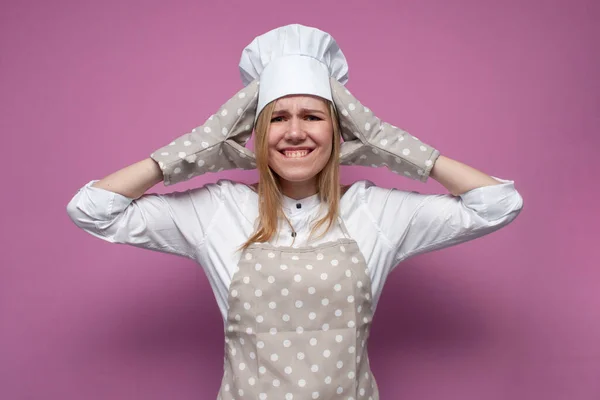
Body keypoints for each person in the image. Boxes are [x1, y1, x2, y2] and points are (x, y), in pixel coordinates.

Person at [66, 24, 524, 400]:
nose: (295, 132)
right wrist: (198, 148)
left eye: (312, 116)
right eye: (278, 118)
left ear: (341, 128)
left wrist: (386, 143)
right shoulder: (217, 210)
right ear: (257, 131)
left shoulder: (378, 212)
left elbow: (497, 204)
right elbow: (94, 210)